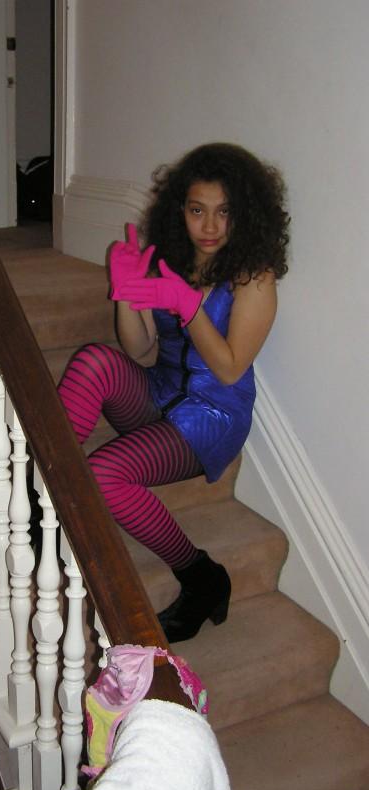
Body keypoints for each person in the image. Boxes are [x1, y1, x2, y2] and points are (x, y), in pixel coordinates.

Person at [57, 142, 289, 643]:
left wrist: (188, 306)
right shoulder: (172, 260)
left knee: (106, 473)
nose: (210, 226)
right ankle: (44, 497)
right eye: (197, 210)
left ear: (244, 214)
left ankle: (201, 577)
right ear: (180, 210)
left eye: (224, 212)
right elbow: (140, 349)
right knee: (93, 361)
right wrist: (126, 292)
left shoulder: (254, 279)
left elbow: (228, 369)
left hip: (211, 417)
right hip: (160, 393)